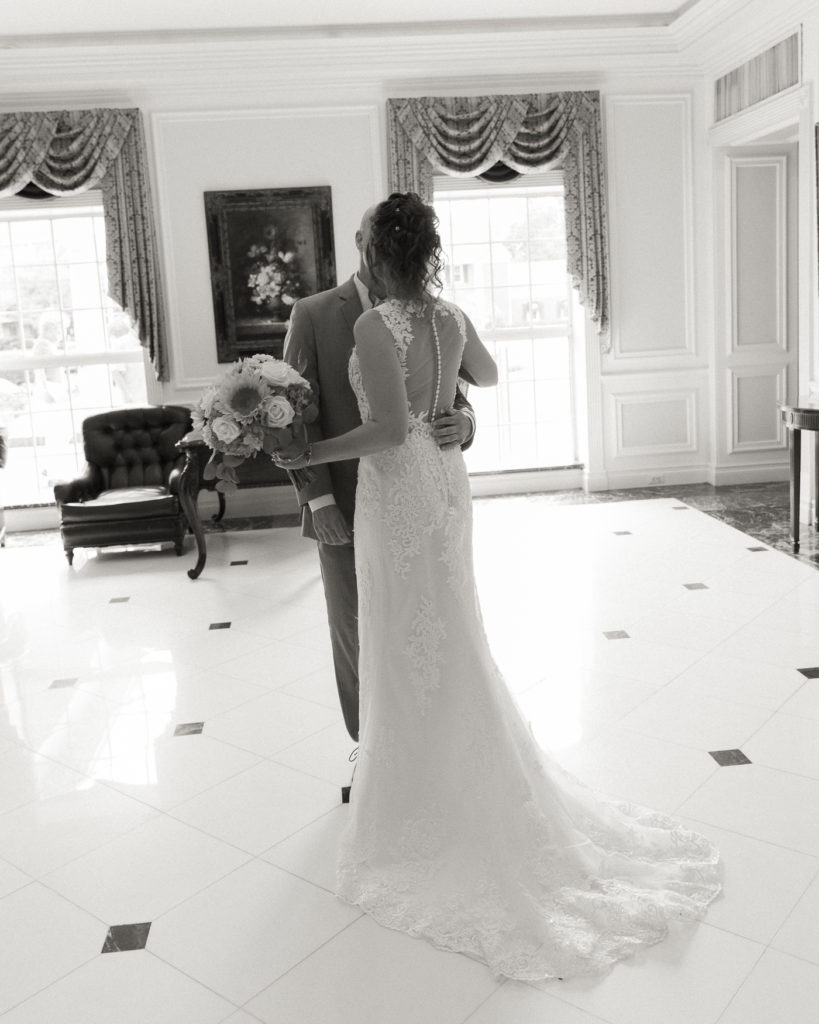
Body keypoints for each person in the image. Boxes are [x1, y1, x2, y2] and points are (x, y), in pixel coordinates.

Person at [273, 193, 720, 981]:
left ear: (375, 250)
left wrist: (311, 458)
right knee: (444, 625)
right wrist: (446, 412)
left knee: (401, 625)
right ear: (427, 253)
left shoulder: (378, 326)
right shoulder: (446, 316)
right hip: (442, 490)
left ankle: (418, 782)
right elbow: (484, 373)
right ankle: (427, 760)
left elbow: (381, 431)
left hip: (396, 490)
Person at [282, 206, 476, 746]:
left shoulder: (434, 314)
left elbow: (451, 393)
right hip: (347, 499)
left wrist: (465, 421)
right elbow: (295, 417)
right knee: (357, 628)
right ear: (361, 242)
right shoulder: (315, 313)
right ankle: (369, 750)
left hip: (424, 493)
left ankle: (435, 741)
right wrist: (316, 501)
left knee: (433, 618)